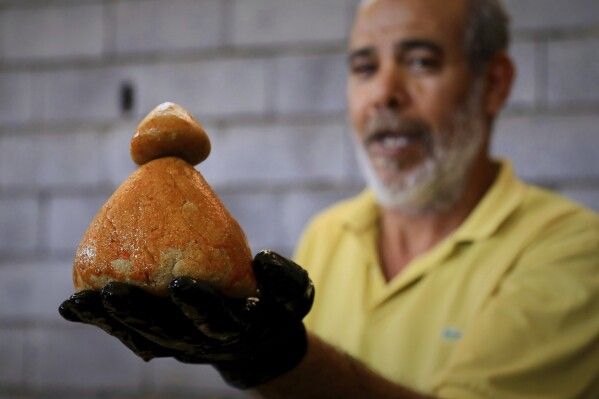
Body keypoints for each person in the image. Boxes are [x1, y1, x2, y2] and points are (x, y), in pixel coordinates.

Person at [60, 0, 599, 398]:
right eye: (365, 68)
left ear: (494, 84)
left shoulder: (573, 251)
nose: (384, 93)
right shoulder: (328, 233)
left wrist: (281, 361)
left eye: (420, 61)